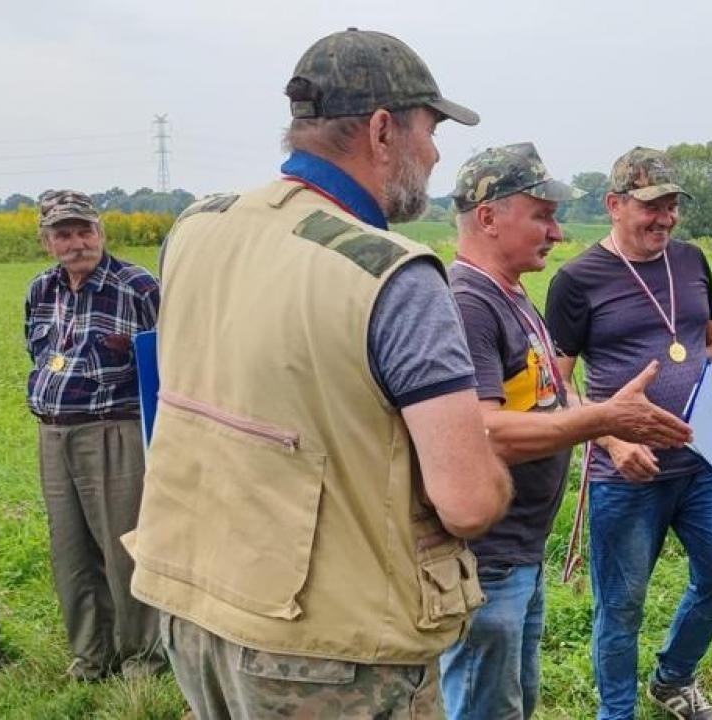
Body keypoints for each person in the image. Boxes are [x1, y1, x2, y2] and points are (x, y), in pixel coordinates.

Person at [124, 28, 511, 718]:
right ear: (383, 131)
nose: (435, 152)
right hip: (331, 649)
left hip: (194, 608)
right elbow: (470, 503)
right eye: (430, 129)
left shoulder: (198, 226)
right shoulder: (392, 273)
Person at [439, 142, 692, 719]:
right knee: (483, 708)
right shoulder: (469, 304)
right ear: (487, 217)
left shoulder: (513, 294)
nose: (556, 233)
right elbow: (484, 433)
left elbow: (555, 391)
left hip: (519, 552)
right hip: (488, 558)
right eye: (542, 216)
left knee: (515, 703)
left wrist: (602, 425)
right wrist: (604, 419)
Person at [544, 147, 712, 720]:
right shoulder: (577, 280)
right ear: (614, 205)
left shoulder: (691, 260)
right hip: (628, 474)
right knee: (622, 607)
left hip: (703, 461)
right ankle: (617, 713)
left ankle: (673, 680)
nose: (666, 218)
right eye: (652, 205)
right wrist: (610, 438)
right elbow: (556, 387)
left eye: (672, 205)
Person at [23, 189, 162, 680]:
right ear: (48, 242)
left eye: (85, 231)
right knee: (71, 551)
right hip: (54, 434)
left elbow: (170, 361)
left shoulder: (138, 286)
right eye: (64, 234)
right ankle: (90, 655)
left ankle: (143, 658)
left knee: (124, 545)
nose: (76, 242)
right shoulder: (41, 289)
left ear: (101, 233)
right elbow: (37, 355)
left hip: (115, 431)